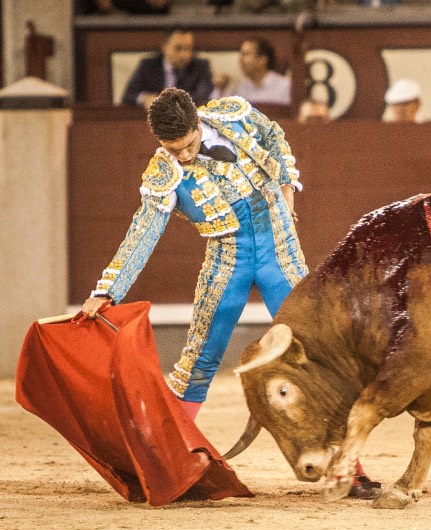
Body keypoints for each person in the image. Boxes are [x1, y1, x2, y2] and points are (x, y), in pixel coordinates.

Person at [81, 89, 379, 498]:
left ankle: (351, 470)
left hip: (280, 250)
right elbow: (143, 233)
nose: (183, 156)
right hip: (228, 261)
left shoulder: (233, 115)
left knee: (320, 356)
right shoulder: (163, 172)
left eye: (188, 145)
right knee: (197, 365)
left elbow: (273, 134)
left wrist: (287, 185)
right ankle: (166, 468)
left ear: (197, 122)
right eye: (172, 149)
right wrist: (106, 290)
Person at [121, 30, 214, 109]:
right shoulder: (148, 65)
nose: (184, 55)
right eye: (178, 48)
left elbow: (203, 95)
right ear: (164, 47)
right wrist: (145, 98)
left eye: (188, 48)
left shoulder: (200, 66)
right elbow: (129, 95)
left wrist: (170, 102)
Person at [215, 38, 291, 106]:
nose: (240, 60)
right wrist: (221, 89)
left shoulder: (284, 86)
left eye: (246, 54)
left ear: (262, 60)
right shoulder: (241, 87)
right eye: (241, 55)